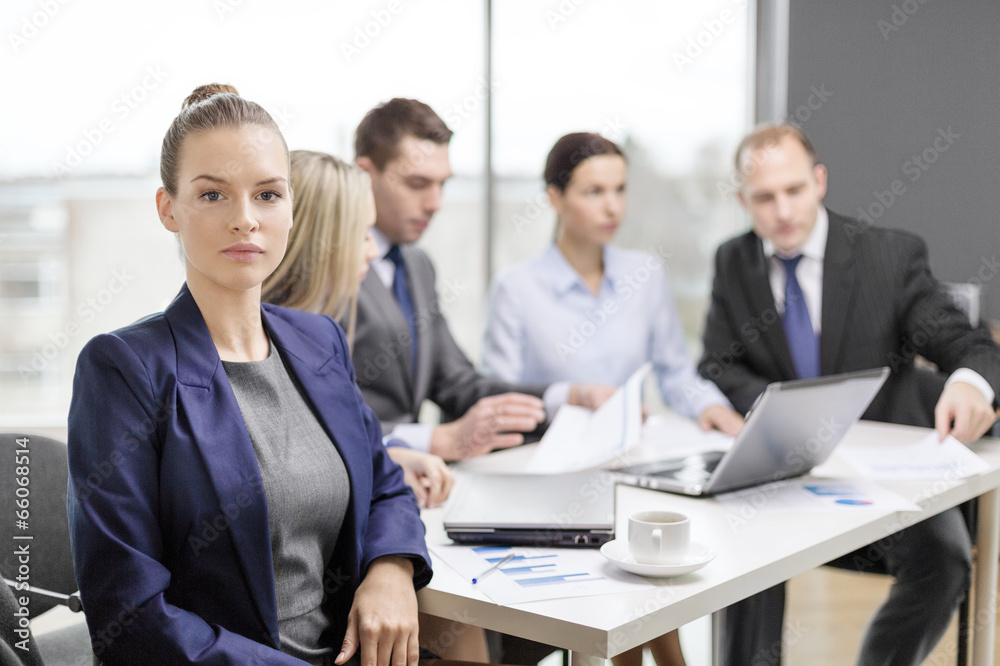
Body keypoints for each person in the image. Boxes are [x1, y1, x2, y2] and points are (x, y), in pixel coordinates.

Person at [67, 84, 431, 666]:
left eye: (267, 194)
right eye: (212, 195)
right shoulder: (124, 368)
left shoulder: (318, 339)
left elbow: (386, 485)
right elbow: (129, 614)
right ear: (168, 208)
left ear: (289, 206)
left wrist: (391, 568)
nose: (245, 220)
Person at [698, 122, 1000, 666]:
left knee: (946, 558)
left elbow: (968, 344)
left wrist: (969, 382)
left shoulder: (890, 256)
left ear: (820, 181)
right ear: (744, 201)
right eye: (764, 198)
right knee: (745, 551)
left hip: (881, 481)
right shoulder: (733, 262)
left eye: (794, 189)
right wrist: (779, 408)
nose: (783, 210)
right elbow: (719, 362)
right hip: (783, 470)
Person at [480, 132, 743, 666]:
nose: (612, 206)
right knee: (637, 596)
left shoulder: (644, 276)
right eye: (593, 191)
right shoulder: (517, 288)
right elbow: (498, 396)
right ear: (555, 198)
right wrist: (569, 403)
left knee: (655, 580)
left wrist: (711, 406)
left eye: (619, 189)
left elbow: (674, 371)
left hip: (636, 468)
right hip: (556, 480)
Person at [352, 98, 614, 463]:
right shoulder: (325, 270)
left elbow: (458, 384)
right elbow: (314, 424)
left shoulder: (417, 265)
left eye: (442, 184)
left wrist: (568, 397)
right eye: (417, 184)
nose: (435, 203)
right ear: (364, 175)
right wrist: (436, 439)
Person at [262, 150, 453, 510]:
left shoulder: (323, 337)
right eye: (363, 235)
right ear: (324, 242)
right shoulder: (265, 348)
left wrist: (391, 458)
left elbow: (350, 441)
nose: (371, 252)